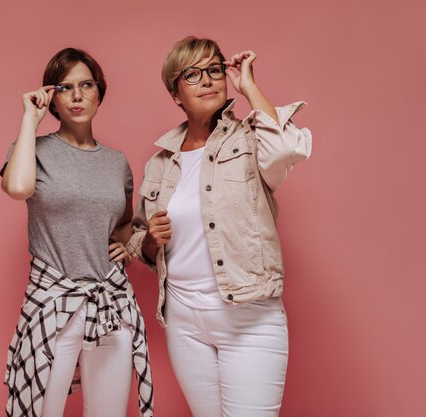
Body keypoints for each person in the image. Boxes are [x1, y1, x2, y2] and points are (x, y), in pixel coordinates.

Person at [127, 36, 312, 417]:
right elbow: (139, 236)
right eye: (192, 74)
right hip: (184, 320)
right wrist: (149, 242)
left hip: (249, 316)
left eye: (215, 70)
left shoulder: (249, 137)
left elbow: (283, 151)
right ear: (175, 93)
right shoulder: (162, 162)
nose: (208, 79)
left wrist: (248, 85)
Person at [0, 48, 153, 417]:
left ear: (100, 92)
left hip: (109, 303)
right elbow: (18, 188)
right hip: (54, 301)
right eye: (66, 87)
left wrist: (128, 248)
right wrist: (28, 121)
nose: (78, 96)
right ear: (53, 97)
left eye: (86, 85)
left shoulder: (117, 163)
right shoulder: (33, 150)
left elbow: (122, 223)